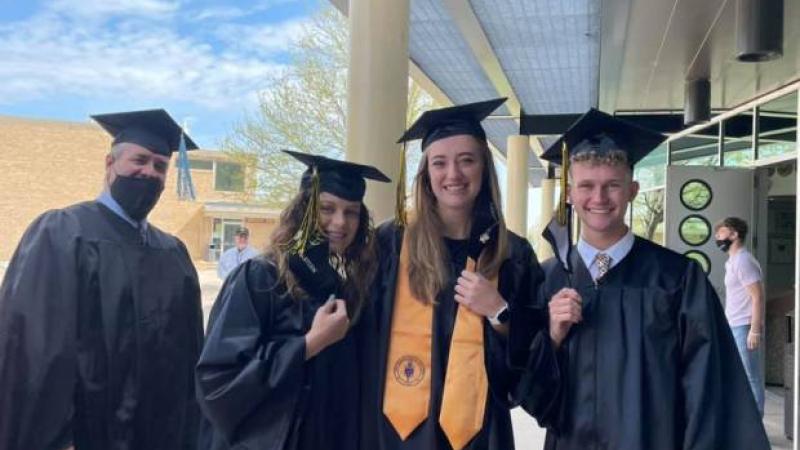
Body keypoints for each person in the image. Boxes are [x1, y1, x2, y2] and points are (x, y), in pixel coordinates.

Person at [520, 108, 769, 449]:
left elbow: (709, 392)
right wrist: (552, 339)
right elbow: (535, 402)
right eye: (587, 186)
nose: (599, 198)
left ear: (633, 190)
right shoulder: (548, 280)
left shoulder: (677, 280)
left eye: (612, 185)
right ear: (569, 193)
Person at [0, 109, 204, 450]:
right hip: (86, 434)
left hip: (159, 433)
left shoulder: (173, 253)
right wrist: (53, 437)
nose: (149, 172)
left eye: (159, 166)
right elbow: (33, 350)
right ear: (110, 163)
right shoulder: (63, 233)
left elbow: (190, 356)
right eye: (139, 160)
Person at [368, 98, 556, 450]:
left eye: (466, 160)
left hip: (481, 435)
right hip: (393, 435)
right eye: (439, 163)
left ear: (484, 169)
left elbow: (532, 358)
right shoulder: (389, 244)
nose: (453, 175)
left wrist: (500, 314)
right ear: (426, 174)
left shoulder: (512, 254)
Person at [195, 150, 391, 450]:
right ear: (303, 211)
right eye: (327, 208)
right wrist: (309, 344)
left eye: (351, 211)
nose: (339, 222)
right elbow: (218, 383)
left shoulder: (342, 289)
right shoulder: (259, 279)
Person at [715, 217, 766, 416]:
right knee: (739, 375)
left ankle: (756, 423)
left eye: (721, 232)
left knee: (750, 376)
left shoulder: (744, 260)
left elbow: (758, 296)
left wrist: (754, 330)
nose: (718, 237)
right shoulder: (733, 261)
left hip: (744, 326)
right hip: (734, 325)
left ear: (735, 235)